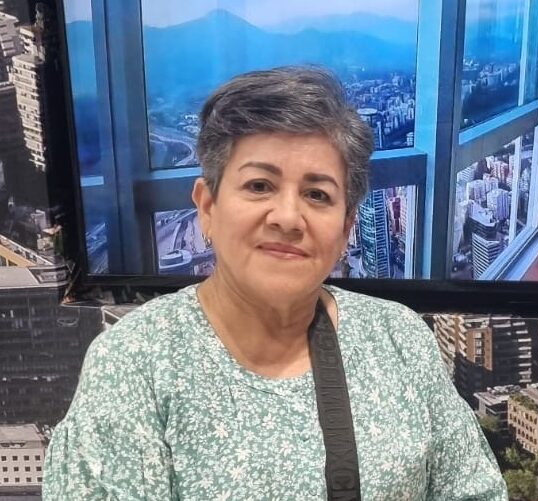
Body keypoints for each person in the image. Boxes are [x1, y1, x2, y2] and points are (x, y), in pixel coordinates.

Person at [43, 67, 508, 500]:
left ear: (346, 229)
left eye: (317, 194)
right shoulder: (135, 363)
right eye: (259, 186)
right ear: (207, 207)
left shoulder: (397, 337)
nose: (287, 217)